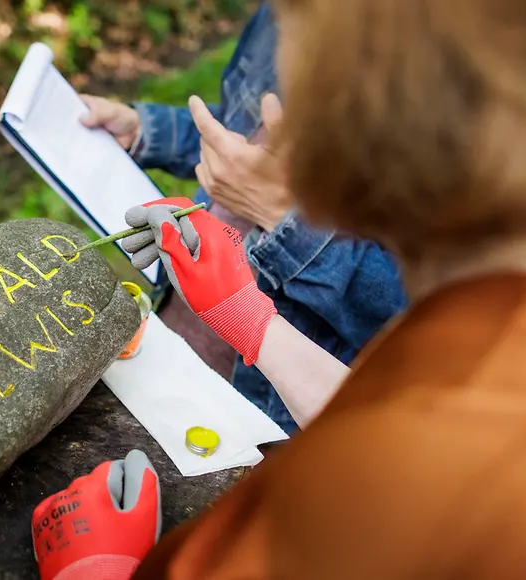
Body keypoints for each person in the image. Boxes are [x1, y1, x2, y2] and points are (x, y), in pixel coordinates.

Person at [35, 0, 526, 576]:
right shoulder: (501, 330)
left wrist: (96, 569)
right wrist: (247, 317)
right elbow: (375, 422)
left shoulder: (372, 497)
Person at [79, 1, 407, 433]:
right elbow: (239, 130)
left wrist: (284, 221)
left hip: (275, 410)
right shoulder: (279, 13)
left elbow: (432, 325)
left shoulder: (456, 89)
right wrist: (146, 131)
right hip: (173, 341)